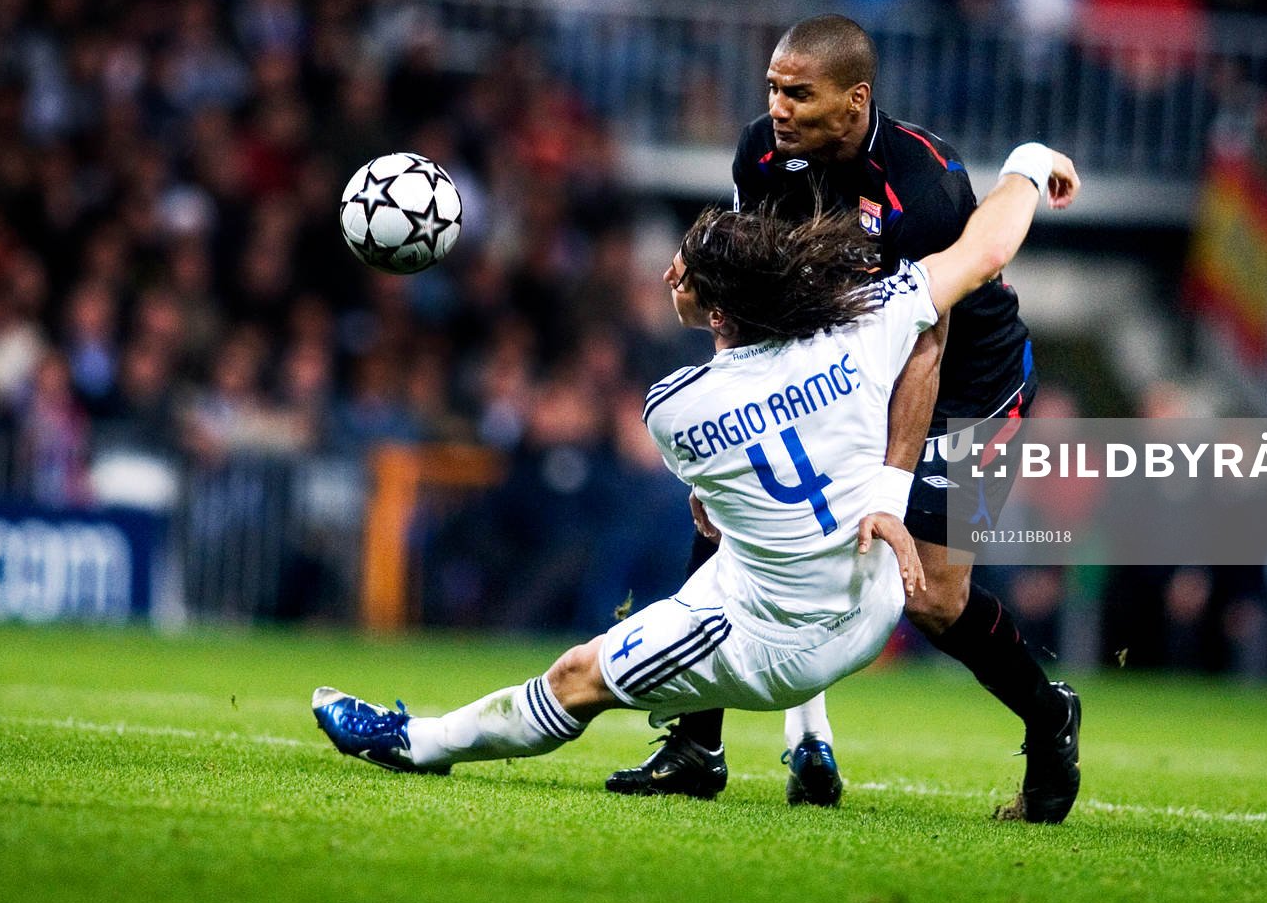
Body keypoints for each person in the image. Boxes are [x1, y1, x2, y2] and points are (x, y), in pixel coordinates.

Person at [311, 143, 1080, 793]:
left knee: (580, 675)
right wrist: (1028, 163)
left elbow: (714, 508)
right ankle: (805, 737)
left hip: (778, 648)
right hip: (876, 599)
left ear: (717, 314)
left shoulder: (676, 408)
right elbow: (985, 251)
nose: (669, 276)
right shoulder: (864, 331)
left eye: (680, 272)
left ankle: (421, 742)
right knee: (754, 538)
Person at [606, 14, 1078, 823]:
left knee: (929, 595)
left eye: (799, 92)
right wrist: (733, 434)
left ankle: (1049, 715)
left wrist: (887, 494)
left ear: (855, 99)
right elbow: (747, 302)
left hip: (967, 382)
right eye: (773, 90)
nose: (779, 107)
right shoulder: (761, 153)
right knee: (724, 518)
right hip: (851, 361)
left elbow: (928, 345)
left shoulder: (923, 184)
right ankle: (694, 744)